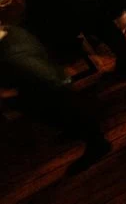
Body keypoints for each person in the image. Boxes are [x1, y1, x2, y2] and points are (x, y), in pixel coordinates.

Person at [0, 24, 111, 175]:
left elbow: (42, 76)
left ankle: (97, 144)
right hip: (52, 81)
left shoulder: (12, 54)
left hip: (48, 89)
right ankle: (78, 131)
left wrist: (12, 92)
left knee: (65, 113)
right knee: (67, 113)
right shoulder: (11, 31)